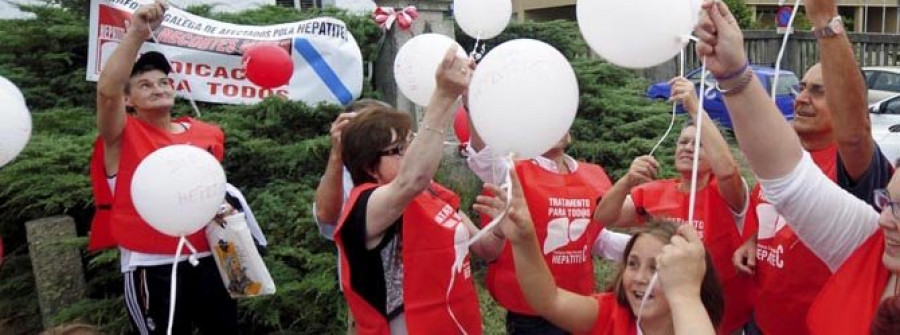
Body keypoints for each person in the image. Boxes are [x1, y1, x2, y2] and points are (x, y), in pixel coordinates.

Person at [694, 1, 896, 333]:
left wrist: (825, 21)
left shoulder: (852, 169)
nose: (885, 217)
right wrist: (731, 73)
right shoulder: (877, 248)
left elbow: (854, 137)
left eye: (818, 91)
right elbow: (786, 186)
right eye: (887, 202)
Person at [87, 1, 236, 333]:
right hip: (152, 266)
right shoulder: (121, 135)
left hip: (213, 259)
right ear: (129, 101)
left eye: (163, 81)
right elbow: (107, 92)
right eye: (144, 84)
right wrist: (138, 34)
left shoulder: (208, 134)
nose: (158, 87)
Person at [333, 46, 504, 335]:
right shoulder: (366, 204)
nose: (411, 151)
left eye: (409, 141)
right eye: (399, 149)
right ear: (371, 167)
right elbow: (412, 178)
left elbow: (486, 249)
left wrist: (501, 226)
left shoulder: (433, 194)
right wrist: (444, 95)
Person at [474, 167, 723, 335]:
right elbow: (549, 300)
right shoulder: (612, 315)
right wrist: (524, 240)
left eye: (656, 267)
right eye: (633, 264)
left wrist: (685, 297)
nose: (639, 278)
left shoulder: (694, 322)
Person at [593, 77, 752, 334]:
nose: (688, 148)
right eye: (683, 142)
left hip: (722, 323)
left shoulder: (725, 192)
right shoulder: (655, 192)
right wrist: (627, 181)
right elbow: (605, 217)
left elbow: (727, 171)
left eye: (698, 143)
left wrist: (694, 107)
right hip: (663, 322)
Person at [465, 112, 631, 334]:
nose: (557, 128)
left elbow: (596, 238)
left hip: (577, 306)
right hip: (531, 313)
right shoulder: (513, 171)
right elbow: (483, 156)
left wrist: (645, 248)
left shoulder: (592, 176)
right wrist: (471, 104)